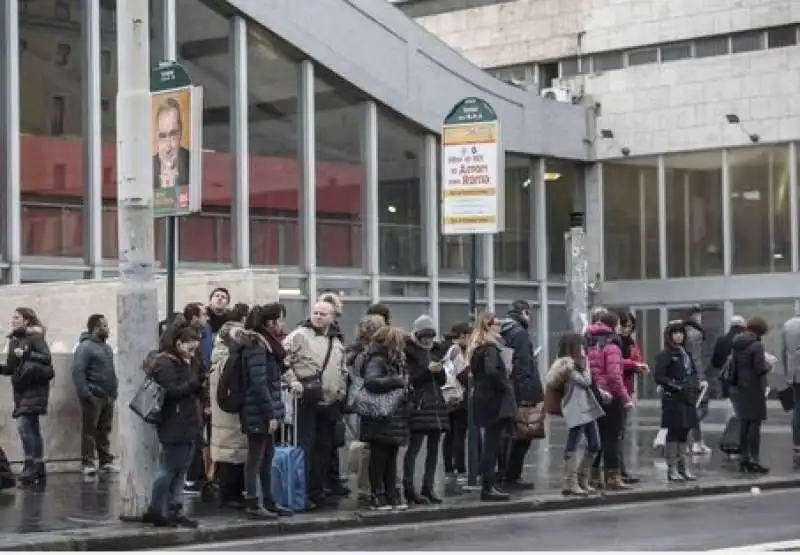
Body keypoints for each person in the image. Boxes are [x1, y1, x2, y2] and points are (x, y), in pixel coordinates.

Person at [283, 301, 347, 510]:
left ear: (332, 317)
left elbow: (342, 369)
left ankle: (318, 491)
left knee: (324, 450)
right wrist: (293, 381)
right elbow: (282, 360)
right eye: (315, 313)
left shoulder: (336, 341)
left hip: (330, 402)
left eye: (323, 314)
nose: (318, 316)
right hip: (307, 401)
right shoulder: (299, 335)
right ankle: (303, 494)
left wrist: (341, 392)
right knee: (306, 448)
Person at [231, 305, 292, 518]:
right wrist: (270, 415)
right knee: (256, 457)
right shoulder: (256, 344)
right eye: (281, 320)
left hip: (263, 408)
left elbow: (269, 376)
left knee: (267, 456)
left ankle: (268, 500)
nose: (282, 325)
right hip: (257, 410)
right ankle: (253, 502)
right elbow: (258, 383)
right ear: (271, 322)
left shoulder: (266, 343)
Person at [142, 324, 204, 528]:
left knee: (181, 469)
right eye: (190, 347)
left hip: (187, 421)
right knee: (169, 468)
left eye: (196, 348)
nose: (193, 352)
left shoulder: (188, 361)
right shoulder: (166, 363)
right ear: (179, 343)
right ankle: (156, 509)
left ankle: (174, 508)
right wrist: (192, 384)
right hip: (173, 422)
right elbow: (169, 392)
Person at [0, 307, 53, 488]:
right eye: (12, 317)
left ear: (26, 321)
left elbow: (46, 358)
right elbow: (10, 368)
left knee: (25, 426)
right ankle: (35, 465)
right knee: (30, 427)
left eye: (16, 317)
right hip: (21, 389)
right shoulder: (15, 340)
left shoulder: (35, 338)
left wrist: (28, 353)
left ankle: (33, 465)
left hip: (35, 388)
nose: (13, 320)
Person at [467, 312, 516, 502]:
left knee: (490, 443)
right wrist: (505, 383)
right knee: (491, 445)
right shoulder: (490, 348)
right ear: (488, 326)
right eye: (496, 323)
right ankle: (488, 487)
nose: (500, 326)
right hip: (493, 400)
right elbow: (492, 371)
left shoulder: (477, 347)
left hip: (482, 398)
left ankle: (488, 485)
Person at [360, 325, 410, 510]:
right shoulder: (378, 359)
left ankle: (390, 494)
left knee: (389, 456)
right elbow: (371, 382)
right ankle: (379, 494)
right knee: (380, 457)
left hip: (389, 416)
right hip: (381, 416)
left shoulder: (391, 360)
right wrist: (395, 382)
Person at [549, 332, 603, 496]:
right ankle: (570, 482)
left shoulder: (577, 364)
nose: (583, 348)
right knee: (573, 443)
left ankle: (582, 479)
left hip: (586, 408)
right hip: (575, 409)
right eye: (581, 345)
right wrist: (586, 365)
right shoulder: (567, 366)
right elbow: (586, 381)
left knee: (595, 444)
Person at [403, 315, 448, 505]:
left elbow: (443, 381)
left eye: (431, 335)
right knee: (414, 449)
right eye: (424, 336)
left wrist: (439, 371)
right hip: (419, 405)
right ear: (417, 335)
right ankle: (409, 488)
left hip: (436, 405)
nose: (428, 339)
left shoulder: (437, 351)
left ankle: (428, 487)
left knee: (433, 450)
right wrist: (427, 370)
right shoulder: (409, 352)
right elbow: (410, 379)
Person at [498, 300, 543, 490]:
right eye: (529, 313)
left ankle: (503, 473)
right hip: (521, 391)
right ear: (523, 312)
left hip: (506, 389)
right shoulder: (520, 334)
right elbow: (523, 365)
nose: (530, 317)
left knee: (507, 434)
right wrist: (527, 395)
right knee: (524, 434)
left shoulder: (503, 331)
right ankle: (512, 475)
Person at [586, 311, 632, 491]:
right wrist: (625, 397)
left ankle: (593, 476)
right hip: (610, 398)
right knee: (612, 438)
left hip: (594, 394)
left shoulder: (589, 342)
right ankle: (612, 476)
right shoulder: (612, 345)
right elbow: (614, 376)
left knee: (596, 436)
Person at [346, 314, 386, 503]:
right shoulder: (373, 354)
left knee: (364, 445)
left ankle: (364, 485)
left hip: (359, 402)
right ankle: (371, 485)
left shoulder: (354, 351)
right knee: (374, 447)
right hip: (375, 402)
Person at [72, 313, 118, 477]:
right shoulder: (85, 347)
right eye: (105, 326)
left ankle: (105, 461)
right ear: (96, 328)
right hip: (94, 395)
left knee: (104, 430)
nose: (108, 329)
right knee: (90, 431)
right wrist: (87, 394)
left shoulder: (106, 348)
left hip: (108, 396)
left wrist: (113, 392)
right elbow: (78, 372)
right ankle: (88, 462)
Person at [209, 319, 248, 510]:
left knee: (232, 451)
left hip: (225, 412)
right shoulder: (228, 359)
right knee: (231, 453)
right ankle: (228, 493)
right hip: (229, 412)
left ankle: (230, 491)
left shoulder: (223, 357)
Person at [654, 321, 699, 482]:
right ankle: (672, 468)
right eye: (675, 333)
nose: (678, 336)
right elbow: (659, 376)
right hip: (673, 398)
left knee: (685, 432)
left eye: (681, 332)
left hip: (688, 397)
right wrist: (675, 385)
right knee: (673, 432)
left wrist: (694, 384)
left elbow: (693, 371)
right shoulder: (665, 354)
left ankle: (683, 467)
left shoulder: (686, 352)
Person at [317, 293, 349, 498]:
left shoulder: (336, 335)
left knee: (332, 440)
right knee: (324, 443)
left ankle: (331, 480)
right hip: (323, 396)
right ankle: (326, 481)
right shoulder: (325, 335)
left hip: (333, 395)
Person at [731, 317, 772, 474]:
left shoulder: (736, 342)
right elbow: (759, 368)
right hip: (754, 388)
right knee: (755, 425)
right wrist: (769, 364)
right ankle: (754, 459)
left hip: (740, 387)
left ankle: (743, 458)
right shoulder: (756, 345)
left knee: (744, 424)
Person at [618, 312, 647, 484]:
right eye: (624, 325)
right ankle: (616, 471)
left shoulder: (630, 342)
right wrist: (634, 364)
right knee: (616, 433)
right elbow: (617, 362)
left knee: (621, 432)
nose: (626, 329)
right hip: (616, 389)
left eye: (629, 326)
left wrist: (638, 365)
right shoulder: (614, 341)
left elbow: (637, 359)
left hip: (627, 387)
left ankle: (620, 470)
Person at [442, 322, 471, 481]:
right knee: (459, 434)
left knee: (450, 434)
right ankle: (460, 468)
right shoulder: (456, 350)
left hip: (448, 397)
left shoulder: (445, 347)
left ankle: (449, 467)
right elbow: (463, 374)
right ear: (462, 336)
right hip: (458, 397)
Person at [683, 305, 710, 455]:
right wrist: (701, 378)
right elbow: (696, 357)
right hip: (694, 376)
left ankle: (696, 441)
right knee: (700, 408)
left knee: (693, 408)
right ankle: (693, 439)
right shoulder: (695, 334)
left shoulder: (682, 333)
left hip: (685, 376)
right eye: (699, 316)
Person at [153, 97, 190, 189]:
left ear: (180, 132)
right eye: (162, 136)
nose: (168, 148)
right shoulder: (146, 170)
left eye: (173, 134)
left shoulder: (193, 163)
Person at [712, 315, 747, 404]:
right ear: (743, 326)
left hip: (726, 380)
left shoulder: (721, 340)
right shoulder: (747, 340)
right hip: (743, 380)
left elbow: (715, 362)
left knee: (728, 405)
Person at [781, 313, 800, 463]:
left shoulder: (788, 324)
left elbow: (784, 352)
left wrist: (787, 374)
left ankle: (797, 442)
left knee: (797, 407)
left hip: (794, 374)